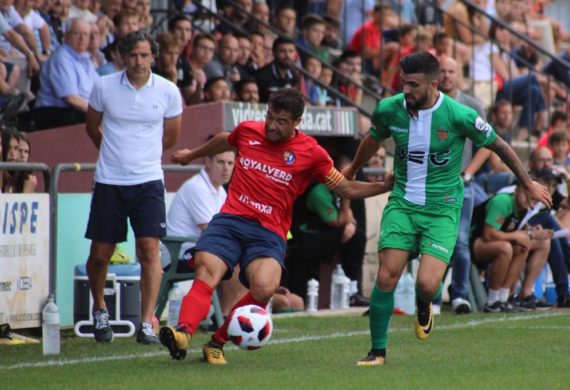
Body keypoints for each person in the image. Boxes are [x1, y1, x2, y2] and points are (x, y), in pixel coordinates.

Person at [341, 51, 552, 366]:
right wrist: (354, 168)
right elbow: (373, 139)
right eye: (403, 83)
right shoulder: (389, 109)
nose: (406, 91)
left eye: (413, 85)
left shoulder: (459, 115)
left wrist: (526, 183)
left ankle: (425, 303)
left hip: (443, 207)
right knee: (386, 277)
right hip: (402, 201)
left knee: (427, 284)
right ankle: (377, 352)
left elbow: (499, 145)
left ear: (433, 84)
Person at [158, 88, 394, 364]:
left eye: (281, 121)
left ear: (297, 123)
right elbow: (225, 139)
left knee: (264, 288)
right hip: (231, 221)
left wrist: (384, 186)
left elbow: (346, 187)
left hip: (268, 232)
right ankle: (183, 332)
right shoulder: (248, 131)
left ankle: (216, 342)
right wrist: (191, 154)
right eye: (269, 116)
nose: (271, 125)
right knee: (206, 271)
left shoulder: (312, 153)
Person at [84, 31, 183, 344]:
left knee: (150, 249)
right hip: (109, 181)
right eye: (133, 56)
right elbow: (92, 127)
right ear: (123, 57)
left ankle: (146, 322)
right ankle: (100, 308)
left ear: (153, 57)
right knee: (101, 253)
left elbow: (171, 138)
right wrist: (113, 154)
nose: (139, 61)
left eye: (144, 55)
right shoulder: (103, 86)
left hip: (149, 180)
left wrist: (142, 158)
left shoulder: (168, 91)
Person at [471, 183, 551, 312]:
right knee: (506, 248)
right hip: (473, 242)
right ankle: (492, 301)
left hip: (493, 241)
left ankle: (508, 297)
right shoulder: (503, 201)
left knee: (531, 244)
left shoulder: (525, 207)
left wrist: (530, 232)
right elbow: (488, 234)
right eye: (526, 193)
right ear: (516, 190)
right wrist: (519, 235)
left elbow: (512, 228)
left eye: (533, 196)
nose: (529, 198)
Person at [33, 18, 99, 130]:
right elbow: (71, 99)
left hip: (76, 110)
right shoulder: (62, 58)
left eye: (85, 34)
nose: (82, 38)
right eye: (77, 33)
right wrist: (99, 113)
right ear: (66, 36)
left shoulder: (86, 60)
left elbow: (100, 89)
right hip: (53, 111)